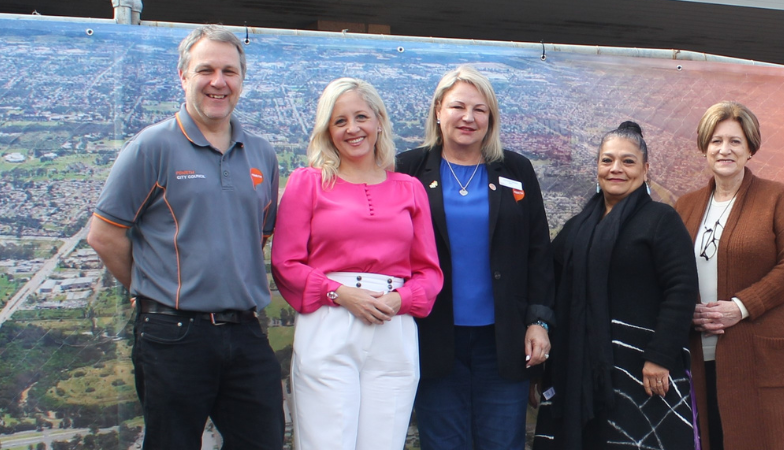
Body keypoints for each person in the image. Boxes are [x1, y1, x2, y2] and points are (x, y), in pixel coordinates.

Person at [87, 25, 283, 450]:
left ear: (241, 80)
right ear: (183, 77)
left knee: (264, 440)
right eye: (205, 70)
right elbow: (103, 234)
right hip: (173, 335)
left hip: (246, 331)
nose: (218, 82)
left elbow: (258, 235)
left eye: (229, 71)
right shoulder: (152, 146)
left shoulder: (262, 153)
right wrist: (148, 287)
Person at [271, 78, 444, 450]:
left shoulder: (408, 188)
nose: (352, 129)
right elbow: (286, 263)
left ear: (378, 121)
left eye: (361, 117)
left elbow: (429, 272)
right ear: (327, 131)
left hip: (393, 326)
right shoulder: (309, 183)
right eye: (339, 121)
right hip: (330, 322)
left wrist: (402, 299)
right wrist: (340, 294)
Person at [396, 65, 554, 450]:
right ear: (438, 111)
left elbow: (538, 250)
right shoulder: (408, 168)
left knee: (503, 442)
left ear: (491, 118)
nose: (468, 118)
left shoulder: (516, 169)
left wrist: (539, 321)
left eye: (479, 110)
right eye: (457, 107)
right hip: (432, 337)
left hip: (503, 341)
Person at [534, 121, 698, 449]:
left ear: (646, 168)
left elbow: (681, 289)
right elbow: (547, 281)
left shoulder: (661, 220)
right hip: (577, 371)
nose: (616, 169)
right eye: (607, 160)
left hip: (643, 370)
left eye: (627, 161)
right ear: (597, 167)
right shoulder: (577, 228)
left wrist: (661, 356)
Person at [677, 101, 784, 450]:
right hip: (703, 346)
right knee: (715, 437)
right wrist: (684, 310)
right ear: (704, 148)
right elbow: (674, 271)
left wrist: (740, 306)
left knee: (771, 438)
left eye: (735, 141)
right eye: (716, 141)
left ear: (750, 149)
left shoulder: (775, 197)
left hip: (763, 349)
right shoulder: (685, 206)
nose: (725, 150)